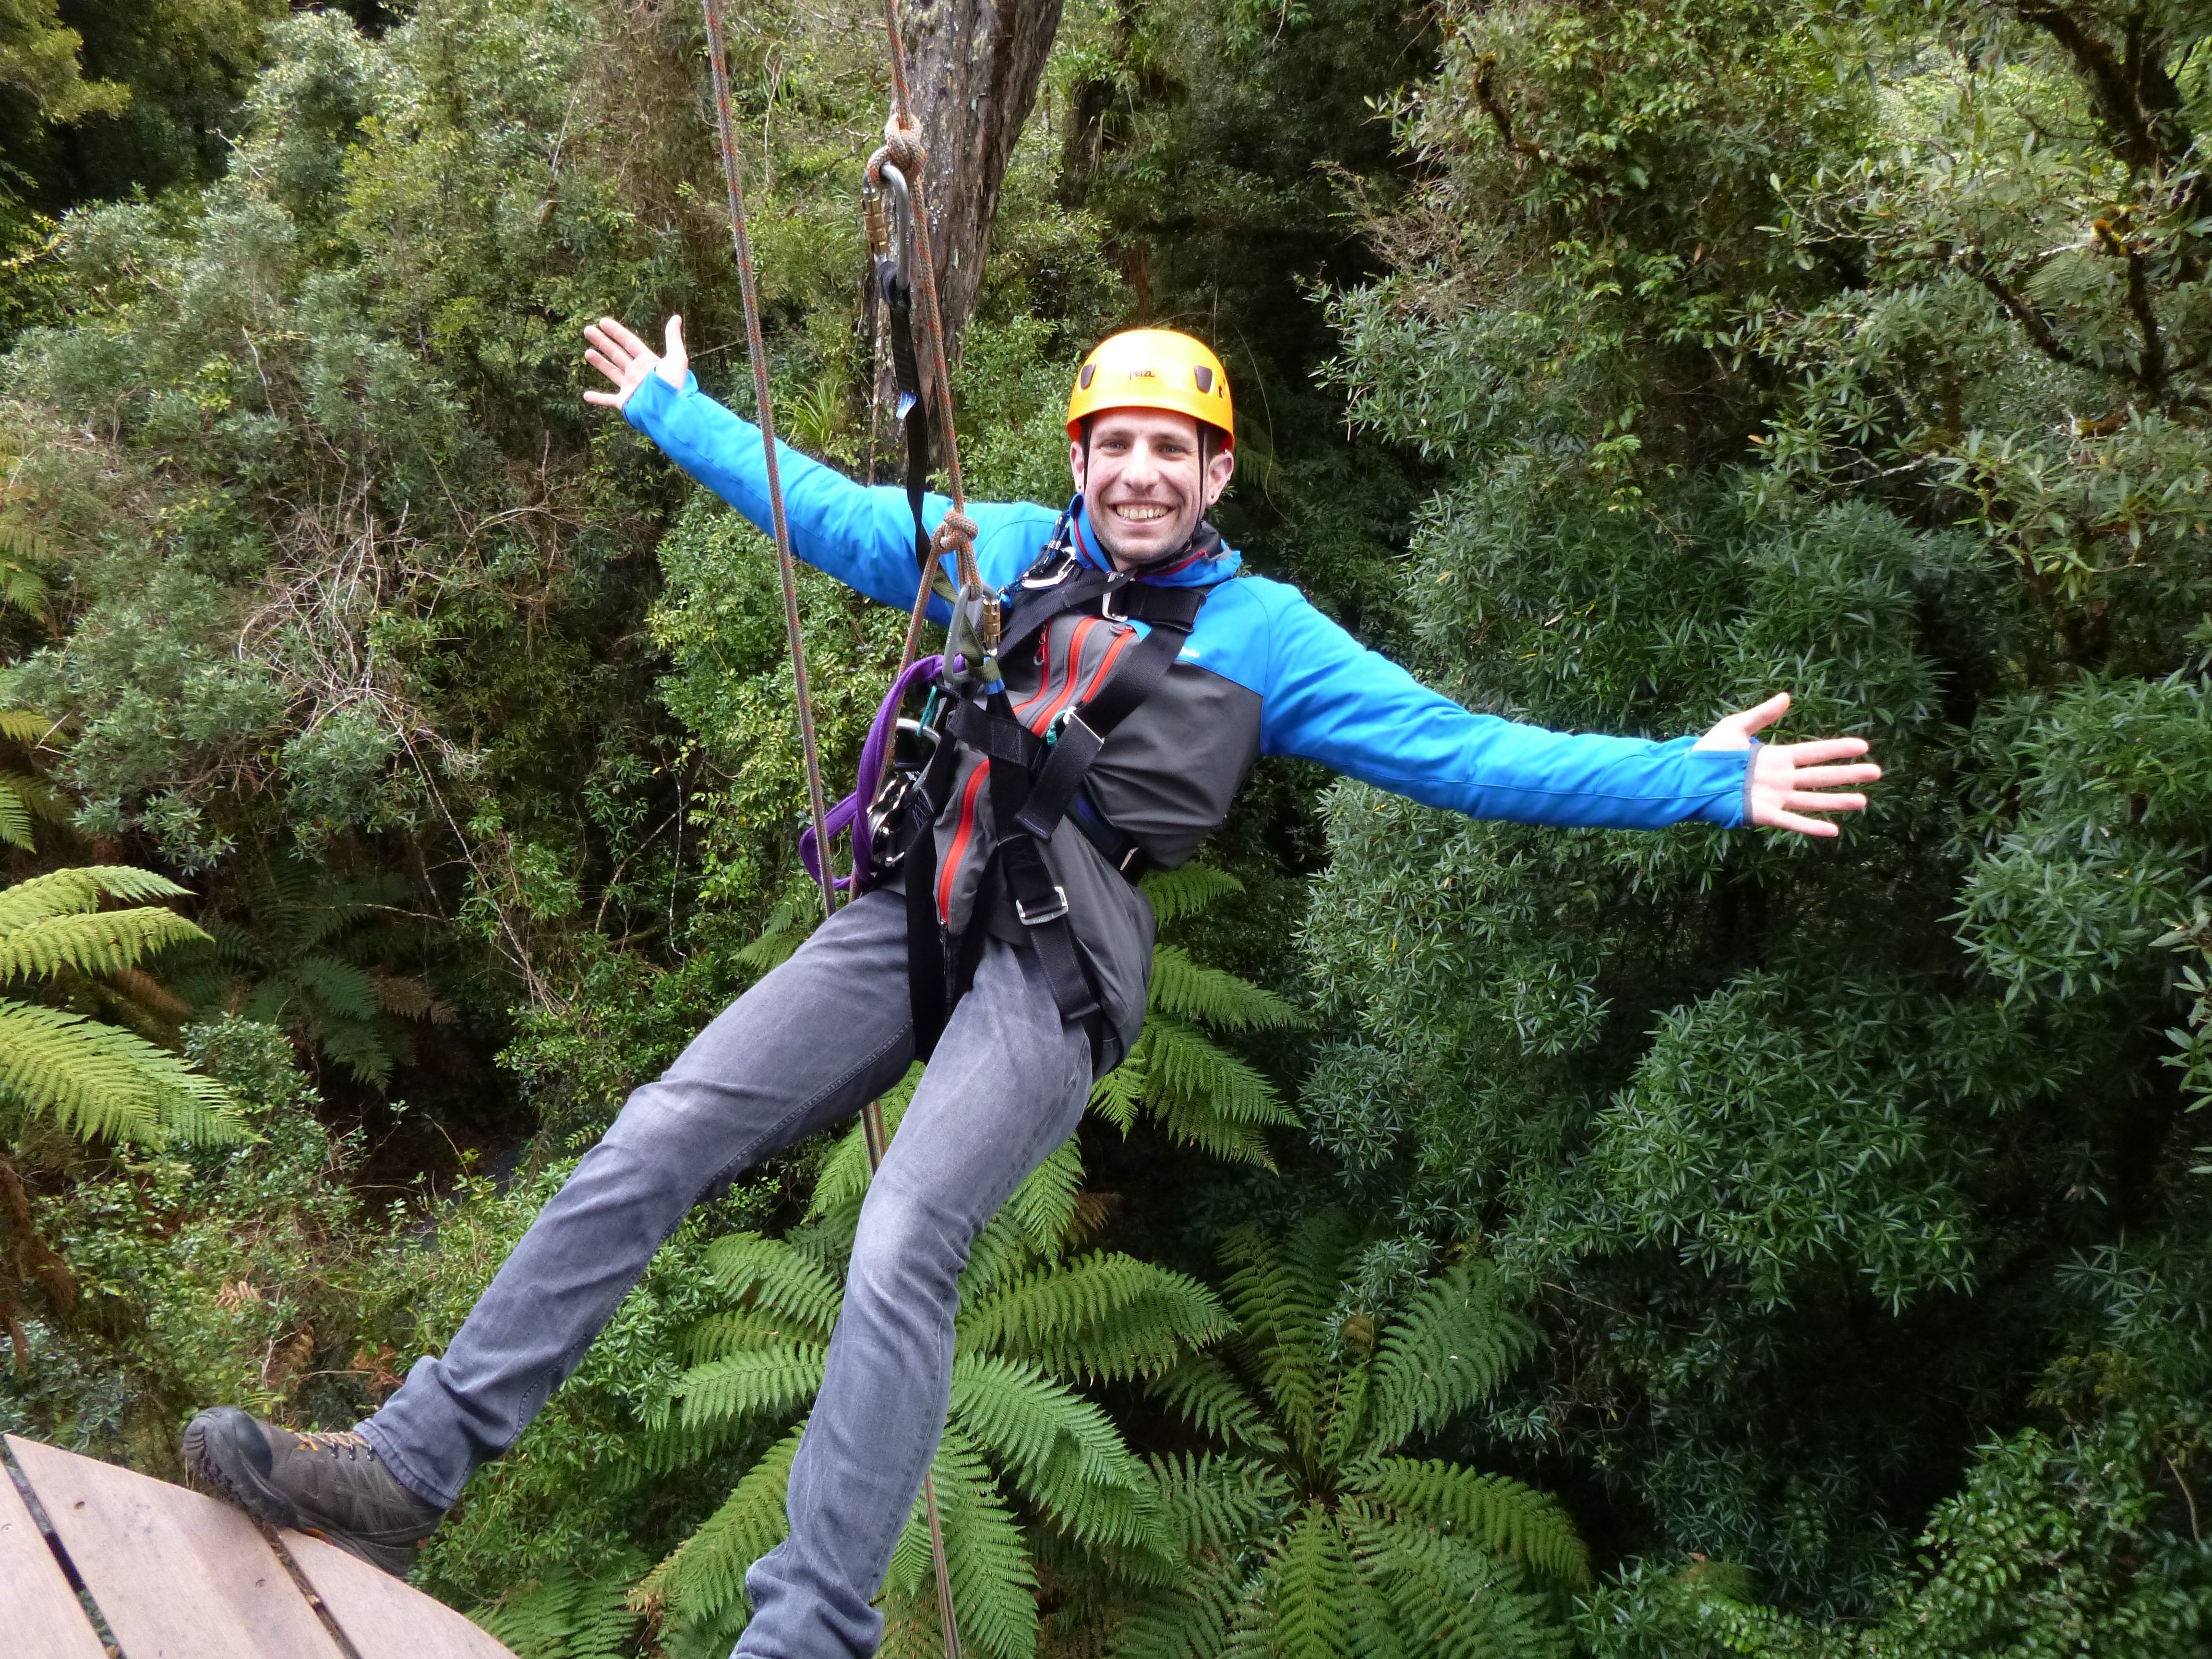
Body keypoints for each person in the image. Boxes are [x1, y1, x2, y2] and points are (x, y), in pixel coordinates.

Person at [183, 321, 1880, 1657]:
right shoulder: (995, 547)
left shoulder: (1266, 639)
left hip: (1057, 964)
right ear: (1082, 459)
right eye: (1118, 445)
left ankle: (805, 1636)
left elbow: (1462, 752)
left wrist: (1694, 779)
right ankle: (407, 1472)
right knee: (654, 1135)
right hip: (921, 908)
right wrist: (678, 419)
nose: (1143, 474)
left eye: (1174, 451)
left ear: (1214, 477)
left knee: (903, 1238)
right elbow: (838, 513)